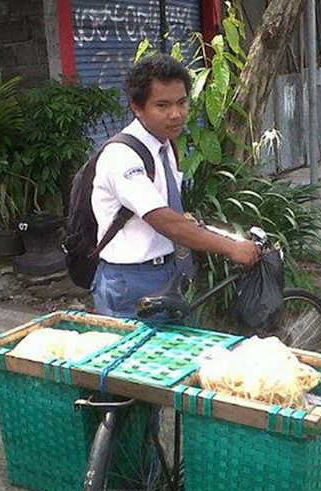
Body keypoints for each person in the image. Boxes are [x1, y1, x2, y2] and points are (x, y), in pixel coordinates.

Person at [90, 53, 260, 318]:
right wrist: (232, 248)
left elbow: (172, 209)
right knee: (140, 359)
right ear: (137, 107)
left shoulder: (166, 144)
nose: (176, 114)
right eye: (162, 105)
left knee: (173, 356)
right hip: (129, 281)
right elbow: (164, 221)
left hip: (168, 272)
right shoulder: (121, 156)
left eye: (182, 103)